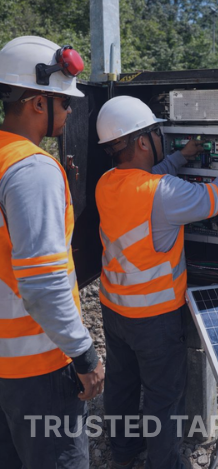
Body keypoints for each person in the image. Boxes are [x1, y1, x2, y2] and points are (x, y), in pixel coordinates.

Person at [94, 96, 218, 469]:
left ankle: (124, 453)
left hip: (114, 310)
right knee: (162, 398)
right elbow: (214, 201)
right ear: (143, 142)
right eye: (157, 134)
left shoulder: (106, 183)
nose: (162, 139)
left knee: (122, 385)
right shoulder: (164, 193)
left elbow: (148, 177)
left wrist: (181, 157)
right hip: (155, 319)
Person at [0, 36, 103, 469]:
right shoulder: (33, 169)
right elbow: (43, 284)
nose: (71, 110)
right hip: (37, 365)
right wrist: (84, 355)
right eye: (64, 101)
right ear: (37, 103)